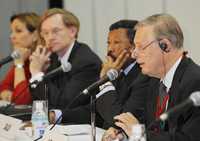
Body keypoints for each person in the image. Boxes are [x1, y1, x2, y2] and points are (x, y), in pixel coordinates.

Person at [102, 13, 200, 141]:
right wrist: (124, 133)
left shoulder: (195, 82)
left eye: (141, 47)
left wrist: (139, 133)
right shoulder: (155, 80)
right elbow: (152, 126)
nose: (134, 54)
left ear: (165, 45)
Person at [29, 8, 102, 124]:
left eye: (55, 31)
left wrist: (37, 73)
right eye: (45, 33)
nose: (50, 37)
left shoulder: (87, 62)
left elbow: (63, 105)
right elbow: (38, 103)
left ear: (72, 31)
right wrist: (39, 74)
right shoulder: (51, 58)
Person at [96, 20, 149, 129]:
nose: (110, 49)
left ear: (133, 47)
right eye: (108, 43)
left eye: (116, 43)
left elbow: (119, 120)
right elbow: (93, 110)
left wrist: (105, 80)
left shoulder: (144, 76)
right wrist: (59, 115)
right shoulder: (118, 71)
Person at [0, 12, 40, 105]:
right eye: (11, 32)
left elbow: (21, 100)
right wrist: (5, 92)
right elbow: (5, 85)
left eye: (18, 31)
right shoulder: (24, 56)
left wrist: (19, 64)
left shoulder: (43, 60)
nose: (11, 36)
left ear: (35, 35)